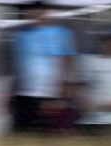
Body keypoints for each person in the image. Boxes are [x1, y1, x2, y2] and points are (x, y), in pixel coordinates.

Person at [11, 1, 77, 133]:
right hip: (24, 91)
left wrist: (65, 87)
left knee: (47, 131)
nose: (36, 12)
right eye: (32, 9)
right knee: (23, 130)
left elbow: (68, 60)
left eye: (40, 9)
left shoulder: (61, 33)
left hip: (50, 92)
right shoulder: (20, 35)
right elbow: (17, 64)